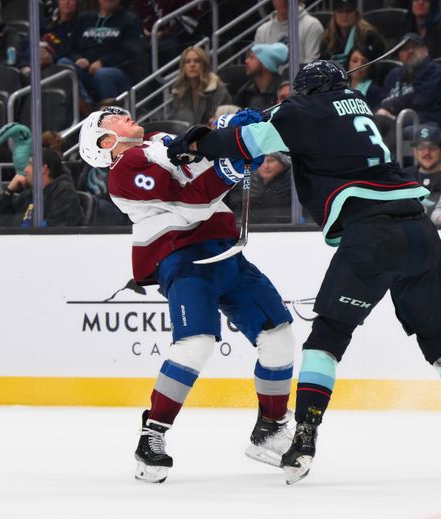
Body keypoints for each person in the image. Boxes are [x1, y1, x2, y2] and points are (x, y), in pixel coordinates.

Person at [167, 60, 441, 484]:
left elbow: (246, 142)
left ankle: (305, 438)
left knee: (325, 340)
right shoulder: (359, 104)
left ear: (307, 92)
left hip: (372, 237)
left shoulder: (302, 111)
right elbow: (303, 133)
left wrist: (196, 142)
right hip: (420, 232)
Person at [77, 106, 296, 483]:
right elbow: (191, 199)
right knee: (194, 344)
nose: (122, 114)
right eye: (111, 118)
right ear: (105, 143)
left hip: (225, 253)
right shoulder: (124, 170)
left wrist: (228, 134)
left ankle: (271, 428)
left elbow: (196, 161)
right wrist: (237, 156)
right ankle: (152, 436)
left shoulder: (158, 143)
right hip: (182, 259)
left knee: (279, 337)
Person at [59, 0, 142, 106]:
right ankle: (88, 106)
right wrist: (78, 59)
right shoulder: (84, 19)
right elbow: (70, 49)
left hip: (118, 73)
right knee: (64, 64)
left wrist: (103, 62)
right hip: (87, 72)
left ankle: (110, 117)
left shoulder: (130, 20)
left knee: (103, 74)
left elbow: (132, 52)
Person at [377, 33, 441, 126]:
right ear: (400, 55)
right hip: (398, 123)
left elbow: (419, 101)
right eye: (405, 49)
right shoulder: (393, 75)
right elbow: (381, 103)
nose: (410, 51)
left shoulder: (435, 70)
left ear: (425, 51)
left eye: (414, 47)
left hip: (428, 123)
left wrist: (390, 106)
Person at [0, 149, 84, 227]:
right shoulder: (30, 193)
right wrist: (9, 191)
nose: (26, 169)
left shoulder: (64, 193)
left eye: (30, 164)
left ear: (43, 169)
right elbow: (1, 222)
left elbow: (56, 228)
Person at [170, 46, 232, 126]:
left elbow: (223, 122)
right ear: (183, 67)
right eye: (188, 62)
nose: (192, 65)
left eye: (197, 61)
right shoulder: (179, 92)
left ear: (204, 65)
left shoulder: (218, 90)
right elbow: (174, 123)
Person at [226, 151, 292, 224]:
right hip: (252, 229)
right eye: (261, 161)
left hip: (284, 230)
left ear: (283, 163)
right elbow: (235, 208)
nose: (265, 166)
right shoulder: (244, 179)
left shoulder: (293, 181)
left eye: (271, 161)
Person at [403, 124, 441, 214]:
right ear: (415, 152)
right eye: (421, 147)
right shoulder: (405, 176)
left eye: (433, 147)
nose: (427, 152)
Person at [319, 0, 386, 67]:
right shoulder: (327, 39)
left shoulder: (369, 35)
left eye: (349, 11)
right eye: (340, 11)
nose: (344, 15)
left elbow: (379, 63)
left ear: (356, 13)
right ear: (334, 15)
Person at [254, 0, 324, 64]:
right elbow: (258, 67)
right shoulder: (262, 31)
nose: (284, 1)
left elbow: (311, 68)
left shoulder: (312, 25)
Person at [234, 43, 288, 111]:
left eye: (252, 58)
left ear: (265, 63)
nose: (246, 61)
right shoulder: (245, 91)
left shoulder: (283, 90)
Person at [347, 46, 382, 111]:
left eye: (364, 62)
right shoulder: (340, 85)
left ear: (370, 67)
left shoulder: (373, 90)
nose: (359, 65)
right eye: (355, 61)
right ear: (348, 63)